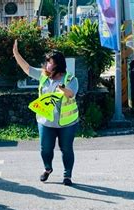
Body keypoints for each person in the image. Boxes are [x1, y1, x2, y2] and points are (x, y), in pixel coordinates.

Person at [13, 39, 79, 186]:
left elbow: (71, 94)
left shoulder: (71, 79)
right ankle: (47, 168)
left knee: (66, 148)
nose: (47, 64)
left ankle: (67, 175)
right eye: (47, 62)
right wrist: (15, 53)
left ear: (57, 65)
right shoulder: (43, 76)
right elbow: (27, 68)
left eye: (50, 62)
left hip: (67, 122)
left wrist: (62, 88)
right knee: (45, 148)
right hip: (45, 121)